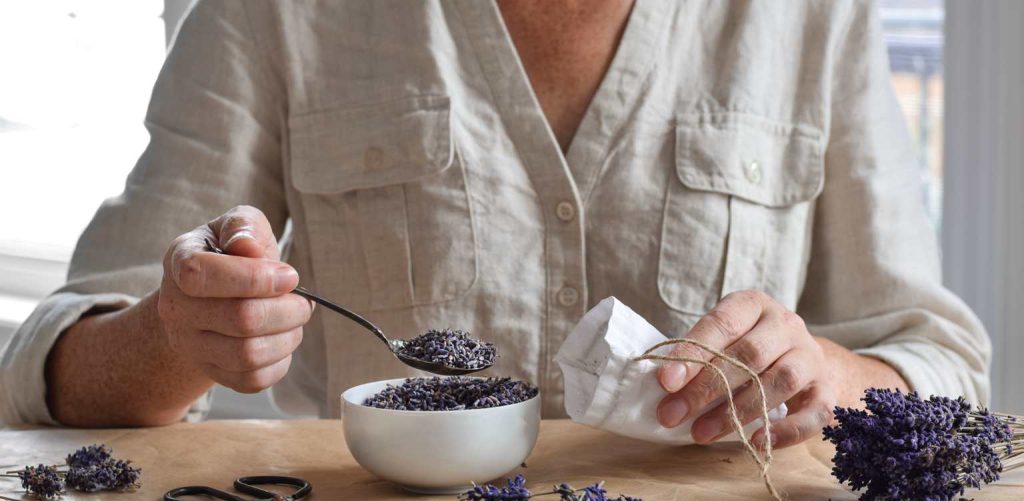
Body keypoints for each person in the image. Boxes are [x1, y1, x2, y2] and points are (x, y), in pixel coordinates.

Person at [0, 0, 988, 450]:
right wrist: (178, 336)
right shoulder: (273, 13)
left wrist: (821, 370)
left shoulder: (815, 17)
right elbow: (46, 374)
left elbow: (942, 360)